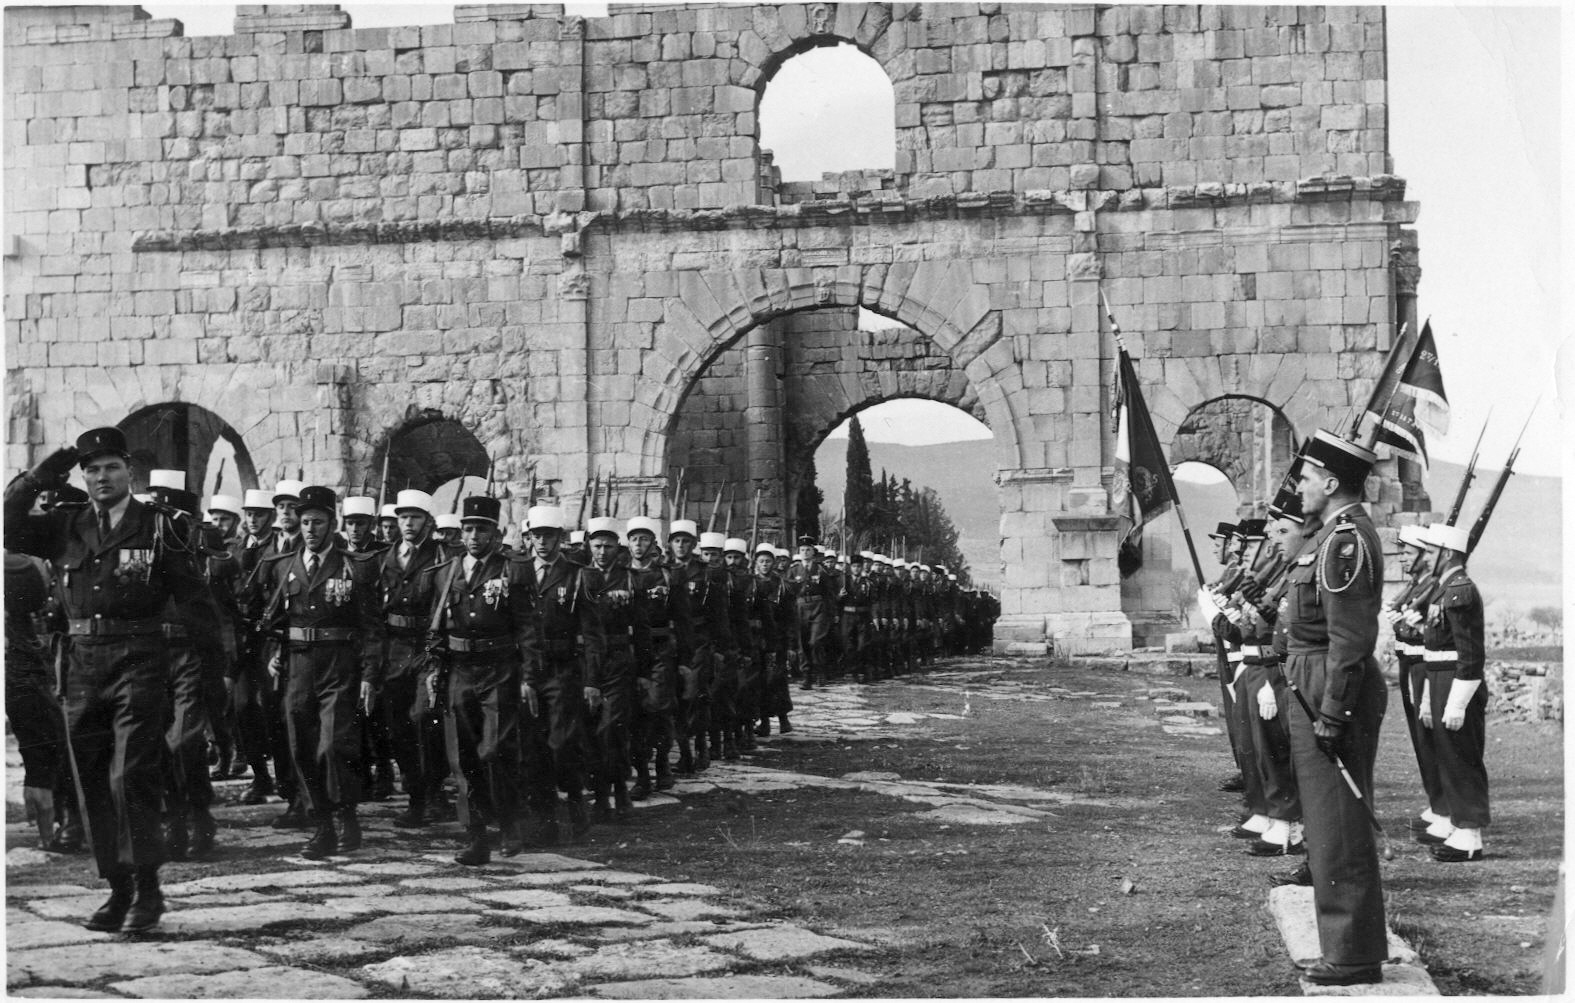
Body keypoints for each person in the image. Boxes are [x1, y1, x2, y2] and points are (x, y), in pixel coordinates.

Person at [4, 428, 216, 933]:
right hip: (81, 663)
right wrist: (47, 468)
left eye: (111, 467)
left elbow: (196, 603)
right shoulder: (65, 526)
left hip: (139, 660)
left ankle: (148, 888)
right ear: (83, 476)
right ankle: (117, 889)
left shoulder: (160, 527)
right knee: (92, 779)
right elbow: (7, 521)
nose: (102, 477)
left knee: (131, 776)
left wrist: (212, 675)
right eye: (91, 469)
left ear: (130, 472)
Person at [1283, 430, 1387, 986]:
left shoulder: (1345, 542)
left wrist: (1333, 713)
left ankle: (1352, 955)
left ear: (1330, 482)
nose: (1297, 486)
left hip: (1331, 685)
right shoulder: (1329, 537)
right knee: (1325, 820)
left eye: (1304, 477)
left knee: (1339, 821)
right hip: (1315, 681)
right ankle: (1346, 946)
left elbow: (1349, 639)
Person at [255, 486, 385, 859]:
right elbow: (275, 621)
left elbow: (373, 629)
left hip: (339, 664)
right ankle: (322, 821)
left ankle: (345, 815)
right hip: (298, 665)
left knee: (334, 744)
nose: (310, 529)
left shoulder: (355, 566)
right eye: (306, 521)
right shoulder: (282, 566)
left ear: (333, 524)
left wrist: (369, 675)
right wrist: (274, 652)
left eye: (319, 522)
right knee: (301, 743)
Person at [421, 496, 537, 864]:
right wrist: (433, 669)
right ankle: (477, 836)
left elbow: (529, 628)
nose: (474, 536)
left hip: (499, 669)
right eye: (468, 529)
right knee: (465, 758)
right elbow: (436, 627)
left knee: (494, 751)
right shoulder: (446, 572)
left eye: (481, 529)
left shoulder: (513, 570)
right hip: (459, 672)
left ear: (496, 533)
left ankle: (509, 822)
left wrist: (529, 676)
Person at [520, 504, 606, 844]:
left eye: (549, 536)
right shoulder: (518, 571)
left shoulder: (579, 575)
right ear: (528, 537)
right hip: (527, 669)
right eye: (536, 536)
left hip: (563, 669)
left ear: (560, 539)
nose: (542, 542)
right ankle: (544, 818)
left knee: (560, 742)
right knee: (531, 746)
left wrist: (592, 681)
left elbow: (594, 634)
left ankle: (573, 796)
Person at [1416, 522, 1489, 862]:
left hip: (1458, 681)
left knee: (1462, 756)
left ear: (1446, 554)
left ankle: (1470, 832)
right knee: (1446, 754)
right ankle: (1458, 825)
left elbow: (1471, 654)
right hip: (1441, 678)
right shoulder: (1443, 588)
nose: (1425, 556)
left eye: (1430, 551)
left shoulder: (1460, 589)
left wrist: (1458, 701)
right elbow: (1434, 649)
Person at [378, 489, 451, 828]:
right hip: (393, 651)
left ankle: (434, 790)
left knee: (425, 718)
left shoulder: (441, 557)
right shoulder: (384, 558)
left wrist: (437, 656)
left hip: (426, 648)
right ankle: (415, 795)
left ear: (428, 521)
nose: (408, 523)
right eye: (403, 517)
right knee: (398, 726)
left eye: (415, 517)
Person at [1384, 524, 1443, 837]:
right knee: (1421, 740)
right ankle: (1437, 804)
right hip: (1411, 663)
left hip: (1424, 666)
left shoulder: (1432, 584)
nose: (1404, 558)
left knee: (1430, 738)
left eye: (1409, 552)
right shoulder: (1418, 583)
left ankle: (1444, 806)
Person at [624, 516, 690, 797]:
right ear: (627, 543)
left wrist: (685, 660)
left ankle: (661, 763)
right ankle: (641, 773)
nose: (639, 545)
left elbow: (683, 619)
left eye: (644, 539)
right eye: (634, 539)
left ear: (653, 543)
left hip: (660, 649)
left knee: (657, 709)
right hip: (627, 651)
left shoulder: (667, 576)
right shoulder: (619, 575)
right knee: (632, 713)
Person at [582, 517, 641, 821]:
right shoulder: (580, 577)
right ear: (589, 546)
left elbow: (641, 627)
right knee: (591, 731)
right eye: (597, 545)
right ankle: (601, 795)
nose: (602, 551)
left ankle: (618, 791)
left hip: (619, 659)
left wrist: (642, 671)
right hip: (587, 662)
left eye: (607, 546)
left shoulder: (629, 579)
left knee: (612, 728)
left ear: (618, 548)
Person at [789, 538, 837, 689]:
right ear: (799, 552)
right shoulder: (794, 570)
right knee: (803, 643)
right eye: (802, 550)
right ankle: (807, 676)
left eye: (808, 550)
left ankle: (820, 671)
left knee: (815, 641)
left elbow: (829, 593)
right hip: (800, 608)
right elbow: (788, 593)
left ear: (813, 552)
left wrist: (833, 612)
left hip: (818, 608)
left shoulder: (820, 570)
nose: (805, 552)